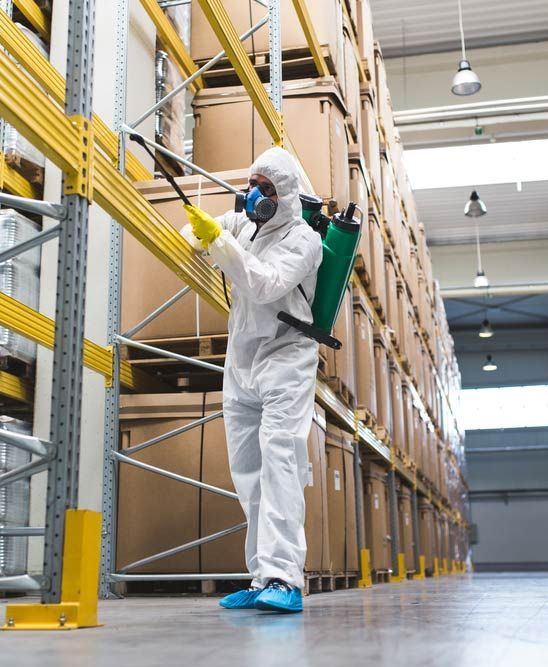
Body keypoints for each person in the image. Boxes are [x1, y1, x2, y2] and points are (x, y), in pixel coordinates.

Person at [181, 147, 322, 614]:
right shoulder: (244, 223)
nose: (255, 193)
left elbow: (262, 283)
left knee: (280, 461)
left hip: (286, 358)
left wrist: (220, 244)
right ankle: (262, 576)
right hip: (242, 359)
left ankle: (286, 579)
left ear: (285, 194)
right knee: (247, 470)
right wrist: (203, 231)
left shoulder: (304, 240)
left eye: (267, 187)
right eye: (253, 182)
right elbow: (192, 236)